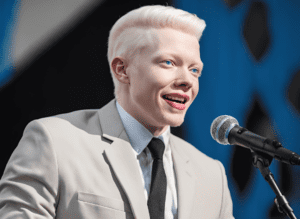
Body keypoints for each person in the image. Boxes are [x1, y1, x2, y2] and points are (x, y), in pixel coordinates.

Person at [0, 5, 234, 219]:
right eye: (169, 63)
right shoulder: (53, 142)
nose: (187, 81)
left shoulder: (212, 175)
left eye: (195, 70)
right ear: (122, 70)